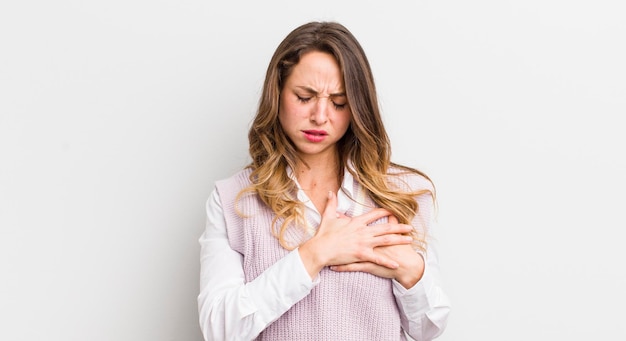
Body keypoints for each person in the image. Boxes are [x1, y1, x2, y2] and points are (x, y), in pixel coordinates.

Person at [198, 21, 451, 341]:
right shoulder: (234, 199)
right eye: (305, 97)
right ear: (278, 93)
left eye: (339, 102)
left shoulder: (400, 193)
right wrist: (314, 255)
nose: (320, 115)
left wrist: (411, 271)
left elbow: (428, 328)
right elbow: (220, 329)